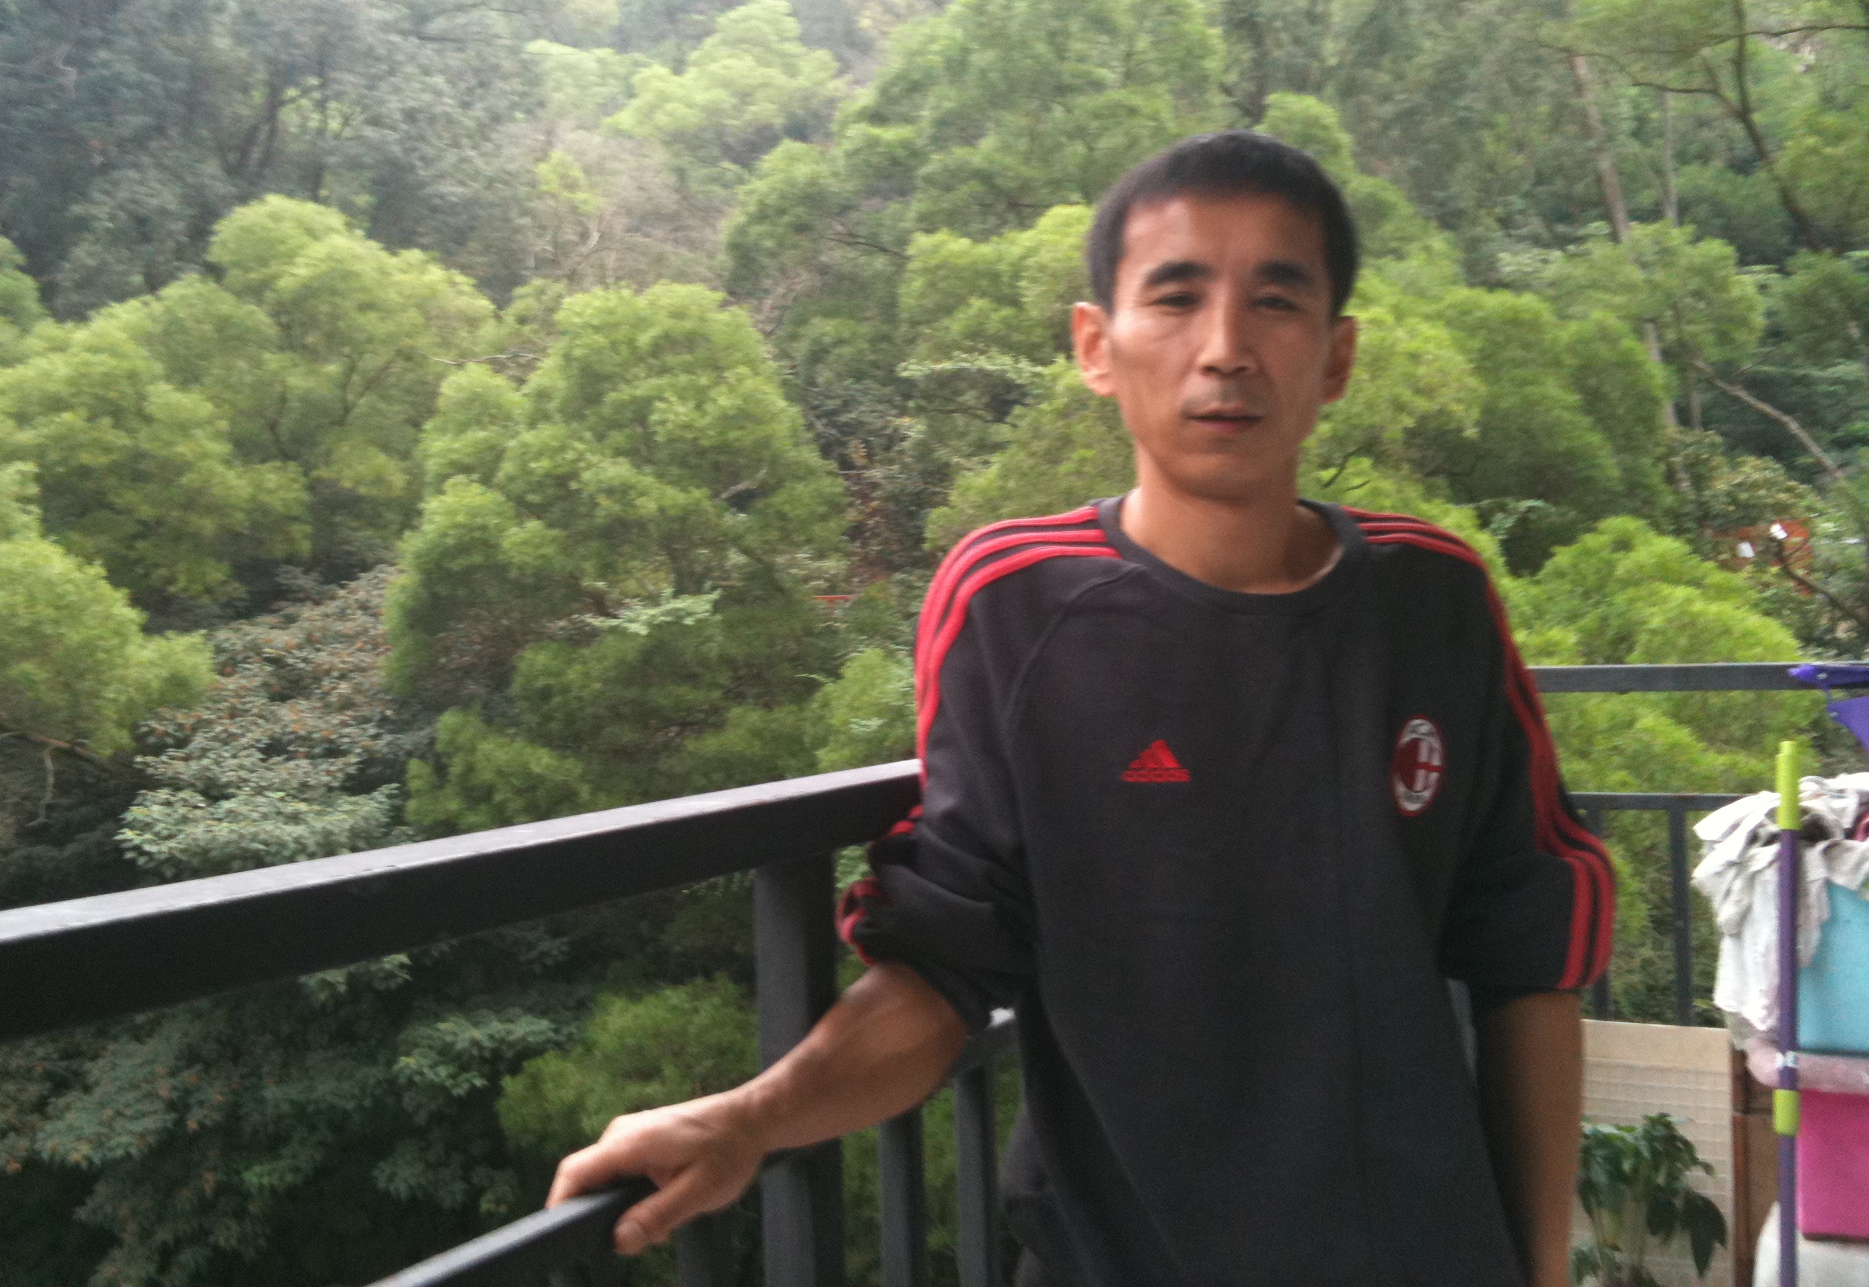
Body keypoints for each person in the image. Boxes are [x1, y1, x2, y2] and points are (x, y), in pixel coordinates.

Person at [546, 131, 1613, 1287]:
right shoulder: (1013, 602)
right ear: (1094, 346)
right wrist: (747, 1120)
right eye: (1175, 297)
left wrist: (1539, 1270)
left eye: (1274, 301)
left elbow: (1525, 954)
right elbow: (944, 962)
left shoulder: (1432, 599)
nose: (1224, 348)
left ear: (1335, 356)